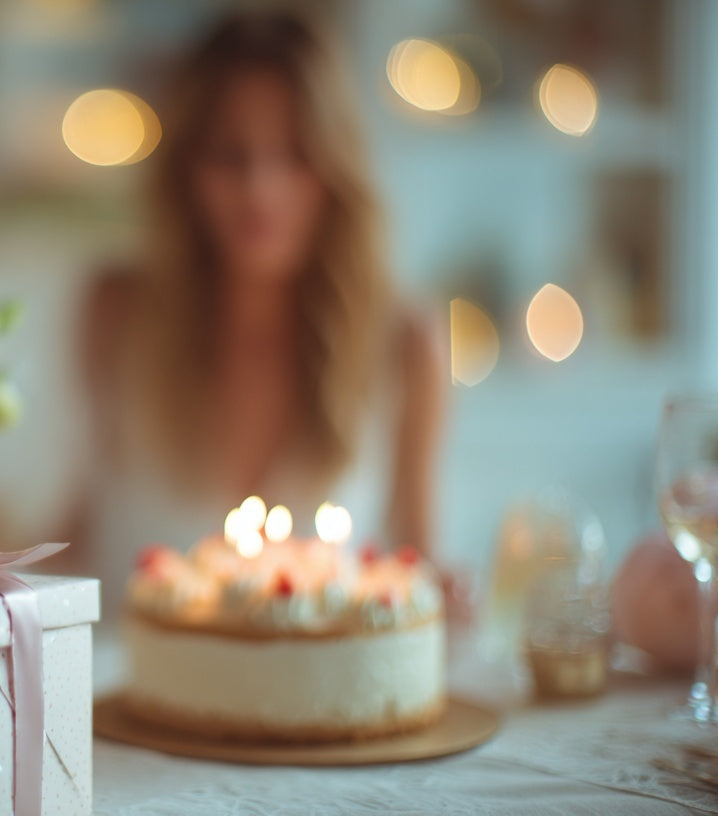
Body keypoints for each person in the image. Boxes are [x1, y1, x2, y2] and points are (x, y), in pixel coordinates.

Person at [70, 9, 457, 617]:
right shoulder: (115, 312)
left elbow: (416, 568)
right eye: (230, 155)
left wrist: (448, 598)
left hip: (322, 705)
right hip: (129, 698)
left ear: (336, 167)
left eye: (294, 154)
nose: (260, 189)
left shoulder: (407, 342)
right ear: (186, 168)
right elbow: (85, 520)